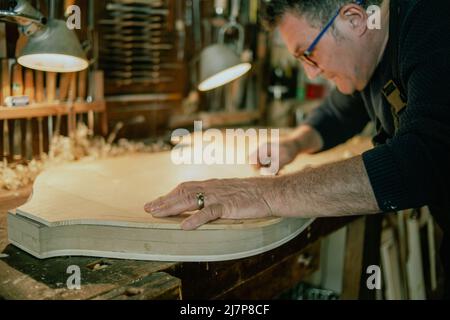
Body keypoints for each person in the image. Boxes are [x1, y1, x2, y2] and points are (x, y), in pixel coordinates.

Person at [145, 0, 450, 297]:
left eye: (309, 54)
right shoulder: (373, 54)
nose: (311, 73)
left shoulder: (432, 18)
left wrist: (261, 193)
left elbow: (424, 158)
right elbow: (339, 111)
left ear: (355, 19)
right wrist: (294, 144)